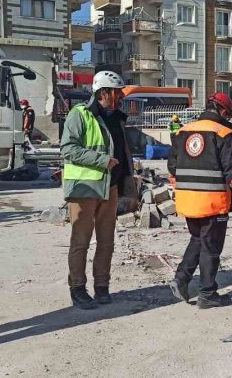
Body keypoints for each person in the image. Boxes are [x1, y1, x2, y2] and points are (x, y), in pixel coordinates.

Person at [168, 92, 232, 309]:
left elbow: (172, 169)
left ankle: (181, 279)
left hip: (187, 201)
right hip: (213, 203)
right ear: (222, 112)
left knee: (198, 239)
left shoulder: (182, 132)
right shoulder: (223, 133)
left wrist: (182, 191)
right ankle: (207, 293)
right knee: (211, 247)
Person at [60, 70, 138, 310]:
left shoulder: (117, 118)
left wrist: (129, 184)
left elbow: (123, 153)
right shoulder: (79, 115)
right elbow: (68, 149)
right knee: (81, 241)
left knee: (107, 241)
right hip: (84, 188)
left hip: (110, 187)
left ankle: (102, 286)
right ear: (104, 93)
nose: (121, 97)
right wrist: (101, 159)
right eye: (117, 93)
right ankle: (78, 288)